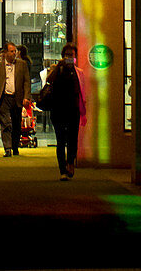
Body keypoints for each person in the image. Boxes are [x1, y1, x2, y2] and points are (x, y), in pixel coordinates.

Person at [47, 43, 86, 180]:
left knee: (72, 140)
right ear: (62, 56)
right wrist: (59, 66)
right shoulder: (56, 69)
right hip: (58, 110)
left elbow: (81, 93)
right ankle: (62, 169)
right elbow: (48, 81)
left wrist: (83, 111)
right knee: (60, 140)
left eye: (72, 55)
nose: (69, 58)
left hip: (73, 111)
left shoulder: (79, 73)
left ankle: (70, 163)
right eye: (67, 55)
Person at [0, 42, 31, 157]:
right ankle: (7, 148)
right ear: (6, 53)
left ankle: (15, 146)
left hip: (17, 98)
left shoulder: (22, 64)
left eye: (15, 51)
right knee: (6, 123)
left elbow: (27, 82)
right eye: (12, 51)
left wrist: (26, 97)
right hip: (3, 98)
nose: (14, 53)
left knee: (16, 124)